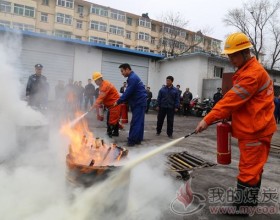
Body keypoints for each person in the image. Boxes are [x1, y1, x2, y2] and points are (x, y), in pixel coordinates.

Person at [195, 32, 277, 215]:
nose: (231, 59)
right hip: (256, 126)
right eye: (229, 55)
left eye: (233, 55)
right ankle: (249, 204)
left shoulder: (251, 75)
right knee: (254, 169)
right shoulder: (249, 70)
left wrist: (207, 119)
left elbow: (230, 100)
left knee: (249, 170)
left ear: (245, 52)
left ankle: (241, 208)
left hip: (255, 129)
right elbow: (244, 103)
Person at [114, 63, 147, 146]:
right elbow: (131, 92)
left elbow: (128, 92)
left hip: (138, 102)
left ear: (127, 69)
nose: (122, 73)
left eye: (122, 71)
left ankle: (132, 141)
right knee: (139, 122)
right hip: (140, 102)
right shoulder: (133, 77)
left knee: (136, 122)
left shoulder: (132, 78)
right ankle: (138, 139)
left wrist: (118, 101)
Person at [91, 72, 121, 138]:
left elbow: (101, 98)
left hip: (115, 105)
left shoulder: (105, 86)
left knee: (110, 120)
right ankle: (116, 132)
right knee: (114, 119)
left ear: (99, 79)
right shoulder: (102, 85)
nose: (95, 82)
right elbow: (102, 97)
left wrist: (93, 106)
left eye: (95, 81)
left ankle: (109, 135)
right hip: (113, 104)